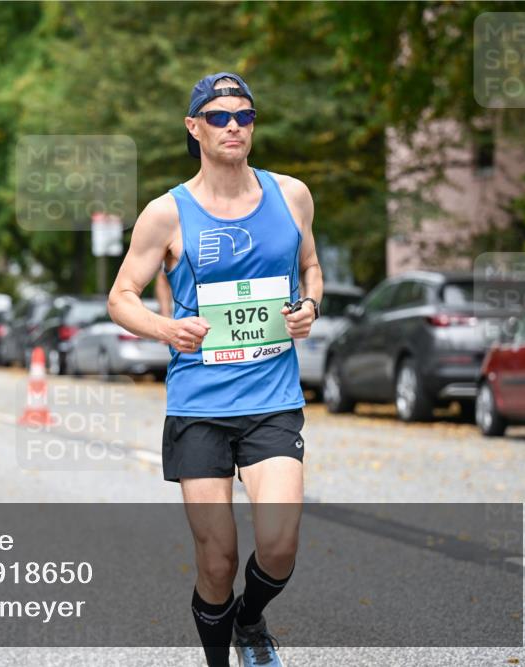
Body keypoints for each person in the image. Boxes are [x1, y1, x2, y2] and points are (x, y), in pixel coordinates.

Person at [107, 72, 323, 667]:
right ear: (194, 126)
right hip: (199, 404)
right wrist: (165, 328)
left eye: (245, 116)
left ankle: (250, 622)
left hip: (273, 398)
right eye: (221, 115)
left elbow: (311, 268)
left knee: (279, 545)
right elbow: (121, 295)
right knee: (218, 560)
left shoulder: (292, 195)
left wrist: (310, 307)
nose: (234, 125)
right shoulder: (165, 212)